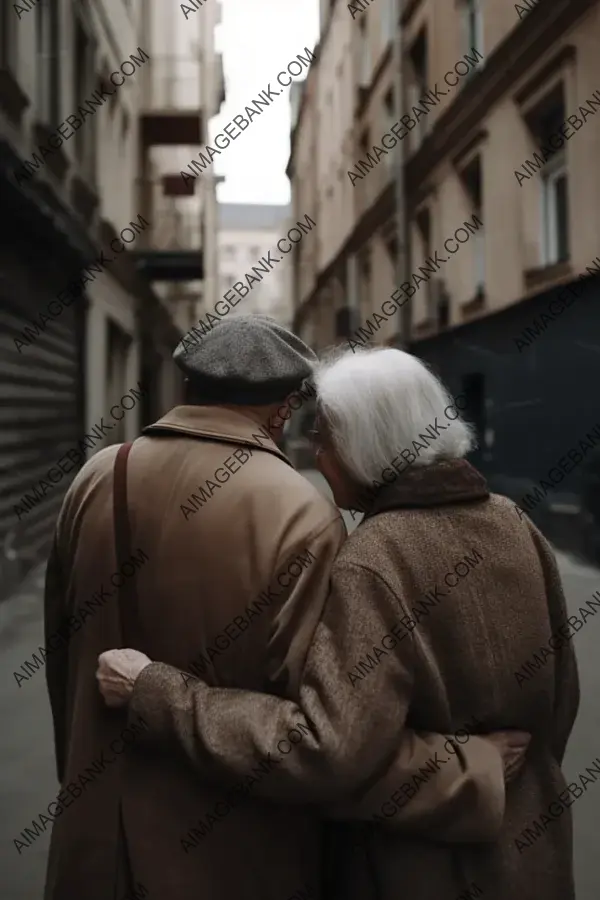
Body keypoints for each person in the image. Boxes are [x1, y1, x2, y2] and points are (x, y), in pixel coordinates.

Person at [95, 344, 572, 900]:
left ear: (362, 446)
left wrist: (159, 692)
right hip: (534, 856)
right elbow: (561, 700)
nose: (317, 456)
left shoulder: (375, 557)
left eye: (324, 438)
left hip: (414, 872)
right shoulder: (514, 521)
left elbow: (326, 751)